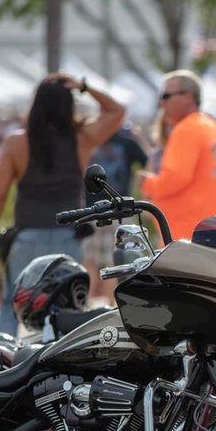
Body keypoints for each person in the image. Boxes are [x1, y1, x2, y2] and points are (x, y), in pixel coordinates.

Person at [0, 74, 126, 340]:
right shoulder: (81, 138)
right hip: (68, 235)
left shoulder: (17, 142)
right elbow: (117, 111)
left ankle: (1, 362)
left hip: (26, 236)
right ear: (68, 105)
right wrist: (84, 86)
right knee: (66, 306)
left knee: (10, 305)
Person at [135, 70, 216, 240]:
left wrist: (148, 183)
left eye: (166, 96)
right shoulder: (215, 128)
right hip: (215, 228)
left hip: (187, 235)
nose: (161, 102)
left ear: (188, 97)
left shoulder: (187, 129)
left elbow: (175, 178)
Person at [83, 124, 149, 303]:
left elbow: (147, 162)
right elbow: (149, 162)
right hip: (110, 210)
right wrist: (140, 138)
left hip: (98, 210)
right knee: (112, 261)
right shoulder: (124, 139)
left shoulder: (91, 135)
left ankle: (95, 306)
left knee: (98, 261)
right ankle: (110, 306)